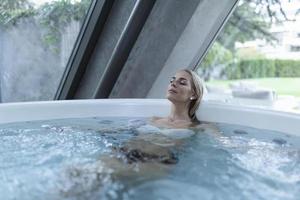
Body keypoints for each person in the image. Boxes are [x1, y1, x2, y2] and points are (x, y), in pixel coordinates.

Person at [60, 69, 209, 198]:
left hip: (153, 163)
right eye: (172, 80)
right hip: (123, 154)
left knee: (92, 177)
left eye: (182, 82)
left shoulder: (197, 126)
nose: (173, 83)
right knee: (73, 173)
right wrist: (80, 129)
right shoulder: (153, 119)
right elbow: (122, 132)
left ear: (194, 94)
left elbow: (226, 143)